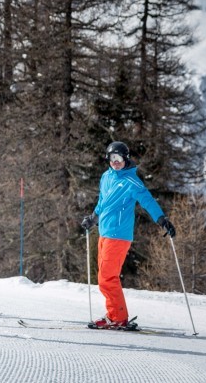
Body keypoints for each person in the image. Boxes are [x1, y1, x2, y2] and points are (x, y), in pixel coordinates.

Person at [81, 141, 177, 329]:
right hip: (105, 234)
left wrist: (162, 219)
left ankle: (117, 318)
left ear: (126, 158)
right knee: (104, 278)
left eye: (119, 158)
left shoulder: (131, 182)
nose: (115, 162)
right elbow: (102, 202)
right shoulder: (106, 177)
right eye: (111, 158)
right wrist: (93, 218)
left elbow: (148, 201)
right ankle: (115, 315)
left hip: (119, 236)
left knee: (107, 278)